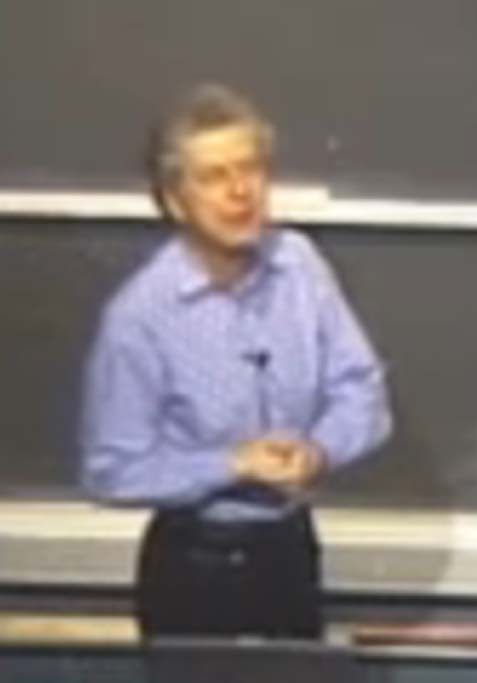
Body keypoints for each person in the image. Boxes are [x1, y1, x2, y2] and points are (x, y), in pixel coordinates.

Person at [79, 84, 392, 640]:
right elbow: (113, 469)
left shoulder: (301, 267)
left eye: (251, 169)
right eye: (214, 177)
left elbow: (361, 390)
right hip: (193, 567)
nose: (240, 192)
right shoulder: (140, 317)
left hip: (288, 553)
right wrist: (231, 465)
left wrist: (320, 450)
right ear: (175, 200)